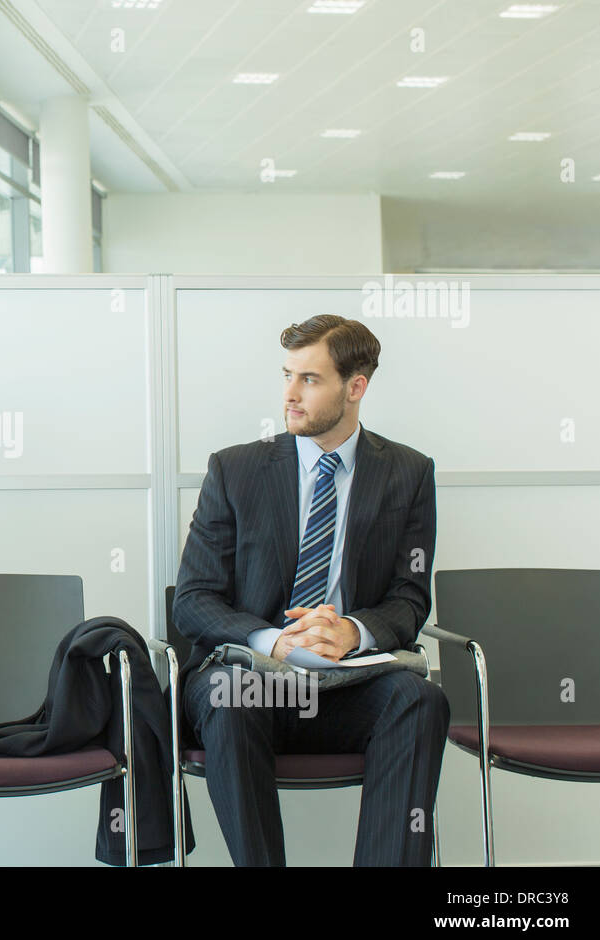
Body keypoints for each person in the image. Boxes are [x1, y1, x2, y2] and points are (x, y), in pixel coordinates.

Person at [172, 313, 448, 866]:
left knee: (420, 700)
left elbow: (409, 596)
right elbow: (194, 598)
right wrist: (274, 640)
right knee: (229, 697)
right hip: (256, 682)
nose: (290, 395)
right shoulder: (236, 470)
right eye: (287, 376)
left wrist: (352, 631)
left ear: (356, 387)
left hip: (349, 684)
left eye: (310, 379)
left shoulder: (408, 473)